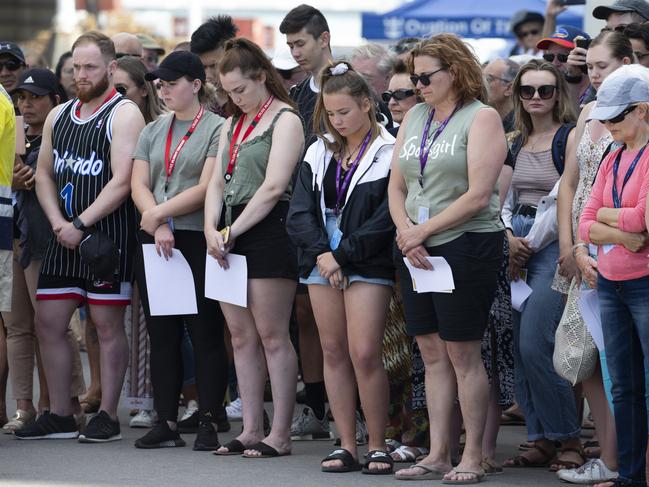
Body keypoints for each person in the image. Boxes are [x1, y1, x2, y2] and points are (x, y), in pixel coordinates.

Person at [15, 31, 145, 442]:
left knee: (106, 326)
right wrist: (58, 222)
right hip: (62, 234)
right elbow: (46, 175)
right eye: (75, 68)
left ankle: (107, 413)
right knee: (48, 321)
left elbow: (122, 181)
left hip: (107, 236)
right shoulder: (59, 115)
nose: (81, 75)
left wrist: (80, 224)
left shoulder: (124, 114)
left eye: (90, 67)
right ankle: (60, 412)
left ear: (109, 67)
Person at [388, 34, 506, 483]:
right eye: (413, 77)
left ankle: (472, 454)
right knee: (430, 351)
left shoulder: (482, 118)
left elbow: (479, 195)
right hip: (416, 245)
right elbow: (396, 186)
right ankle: (438, 452)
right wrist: (406, 232)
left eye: (424, 77)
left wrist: (424, 230)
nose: (417, 86)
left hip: (465, 244)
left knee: (462, 352)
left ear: (453, 71)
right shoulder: (416, 115)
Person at [287, 61, 395, 474]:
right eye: (330, 113)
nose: (337, 120)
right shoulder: (318, 149)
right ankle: (346, 443)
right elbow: (299, 212)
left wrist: (342, 255)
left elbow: (387, 216)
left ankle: (378, 443)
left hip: (365, 256)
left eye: (344, 111)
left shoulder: (389, 148)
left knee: (364, 352)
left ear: (366, 104)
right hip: (320, 256)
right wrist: (322, 254)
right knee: (333, 351)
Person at [204, 37, 304, 458]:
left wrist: (231, 232)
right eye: (228, 92)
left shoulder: (286, 120)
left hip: (267, 228)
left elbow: (274, 186)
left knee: (271, 334)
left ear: (262, 76)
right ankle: (250, 428)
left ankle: (279, 432)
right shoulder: (231, 122)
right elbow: (215, 181)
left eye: (241, 90)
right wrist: (212, 227)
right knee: (240, 336)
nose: (235, 99)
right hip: (228, 228)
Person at [130, 50, 226, 450]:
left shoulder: (218, 128)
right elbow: (138, 182)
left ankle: (207, 417)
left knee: (204, 331)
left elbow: (206, 187)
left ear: (196, 84)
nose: (164, 89)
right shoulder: (153, 129)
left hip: (195, 235)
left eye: (172, 83)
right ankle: (165, 419)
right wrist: (157, 221)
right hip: (158, 237)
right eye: (161, 84)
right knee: (161, 332)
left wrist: (160, 218)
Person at [555, 30, 634, 486]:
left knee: (618, 361)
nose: (595, 76)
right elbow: (569, 181)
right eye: (591, 68)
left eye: (603, 67)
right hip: (581, 247)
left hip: (618, 248)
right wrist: (570, 245)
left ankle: (624, 458)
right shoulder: (587, 110)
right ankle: (609, 457)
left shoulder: (637, 114)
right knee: (582, 361)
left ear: (628, 62)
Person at [500, 59, 582, 471]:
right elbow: (496, 197)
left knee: (537, 343)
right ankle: (539, 438)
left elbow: (565, 197)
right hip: (515, 238)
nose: (535, 98)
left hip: (551, 241)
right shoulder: (512, 138)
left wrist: (528, 241)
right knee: (518, 347)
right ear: (517, 94)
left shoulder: (567, 136)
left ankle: (568, 436)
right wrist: (507, 238)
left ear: (557, 95)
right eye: (527, 90)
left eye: (545, 90)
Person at [1, 69, 86, 434]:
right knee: (17, 327)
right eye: (21, 97)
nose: (26, 104)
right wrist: (10, 177)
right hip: (13, 238)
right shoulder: (15, 137)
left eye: (35, 97)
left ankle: (67, 402)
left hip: (46, 241)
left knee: (52, 326)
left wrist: (26, 178)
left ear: (56, 100)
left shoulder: (63, 136)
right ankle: (25, 408)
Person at [578, 67, 649, 487]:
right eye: (604, 119)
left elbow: (643, 220)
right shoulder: (613, 155)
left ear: (642, 111)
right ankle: (629, 476)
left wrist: (609, 219)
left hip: (640, 282)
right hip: (610, 281)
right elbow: (586, 222)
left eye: (615, 118)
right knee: (622, 386)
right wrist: (621, 229)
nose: (608, 126)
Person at [280, 4, 333, 443]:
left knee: (348, 323)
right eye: (290, 45)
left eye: (300, 43)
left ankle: (352, 411)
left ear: (324, 38)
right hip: (301, 216)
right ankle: (315, 406)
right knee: (304, 314)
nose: (295, 52)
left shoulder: (349, 84)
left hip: (342, 216)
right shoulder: (295, 95)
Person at [190, 15, 238, 118]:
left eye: (214, 66)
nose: (208, 76)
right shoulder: (193, 101)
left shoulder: (254, 98)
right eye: (203, 67)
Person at [537, 26, 592, 110]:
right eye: (549, 57)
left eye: (563, 57)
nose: (555, 63)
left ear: (584, 56)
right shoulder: (547, 93)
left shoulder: (598, 91)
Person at [115, 56, 164, 124]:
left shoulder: (165, 128)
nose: (114, 97)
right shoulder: (103, 125)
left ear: (144, 90)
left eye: (120, 89)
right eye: (109, 91)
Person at [483, 58, 520, 133]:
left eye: (488, 79)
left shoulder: (521, 129)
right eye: (481, 78)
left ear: (509, 88)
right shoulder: (481, 119)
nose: (481, 84)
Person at [383, 58, 419, 132]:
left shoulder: (441, 136)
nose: (391, 102)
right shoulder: (387, 138)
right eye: (388, 95)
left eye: (399, 94)